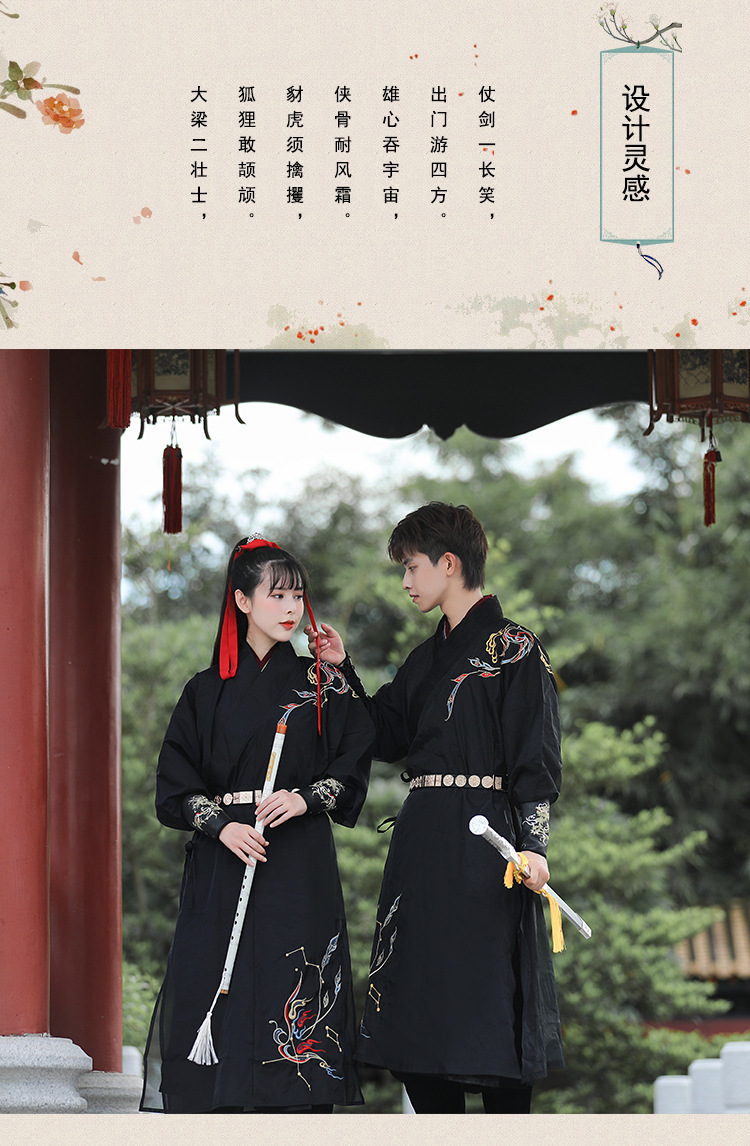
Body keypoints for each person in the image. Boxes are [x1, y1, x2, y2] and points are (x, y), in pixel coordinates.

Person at [306, 502, 564, 1114]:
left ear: (449, 564)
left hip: (488, 851)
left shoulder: (514, 649)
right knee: (417, 1011)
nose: (405, 581)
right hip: (421, 844)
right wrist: (340, 669)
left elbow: (535, 756)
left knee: (489, 1002)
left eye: (412, 566)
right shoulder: (425, 659)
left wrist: (534, 846)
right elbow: (383, 734)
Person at [140, 537, 373, 1113]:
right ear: (242, 601)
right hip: (225, 857)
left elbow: (356, 752)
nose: (291, 607)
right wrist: (220, 825)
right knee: (216, 973)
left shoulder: (323, 685)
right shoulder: (203, 690)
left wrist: (306, 798)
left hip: (296, 859)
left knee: (292, 977)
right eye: (277, 595)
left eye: (298, 595)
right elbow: (174, 784)